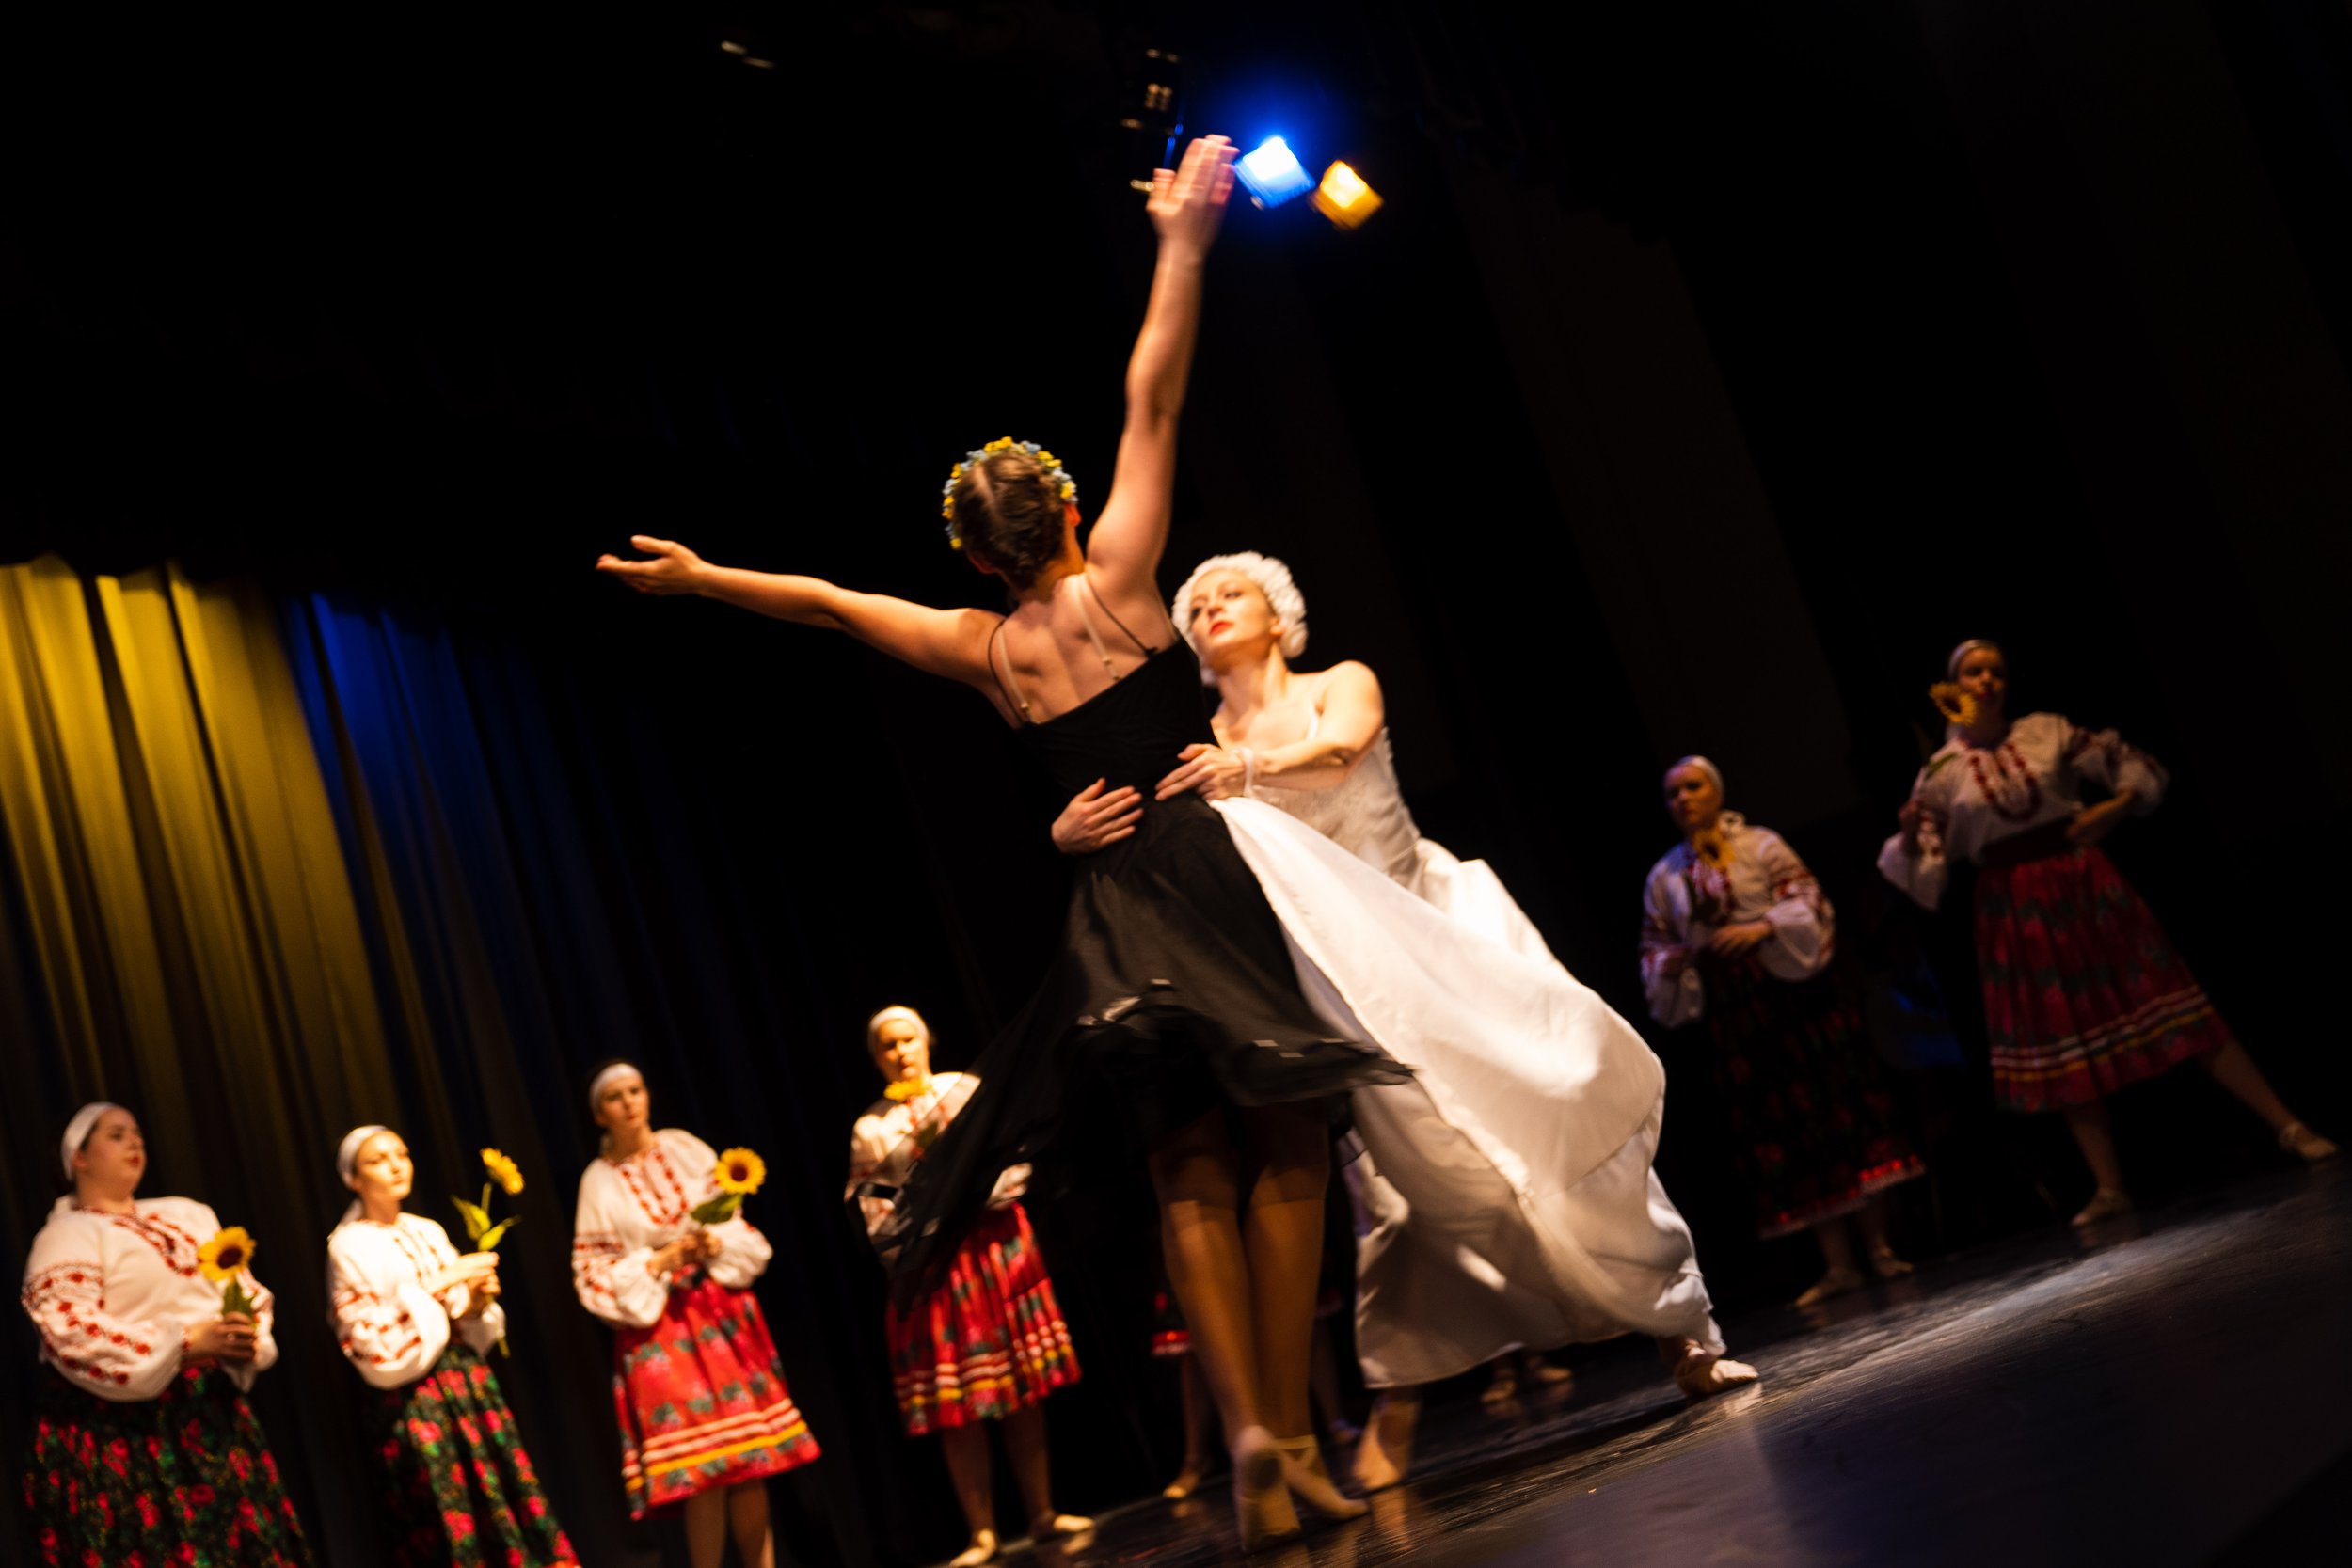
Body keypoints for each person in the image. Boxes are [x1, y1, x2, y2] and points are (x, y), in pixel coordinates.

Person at [599, 135, 1403, 1548]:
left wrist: (703, 575)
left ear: (974, 557)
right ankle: (1287, 1416)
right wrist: (1184, 242)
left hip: (1112, 914)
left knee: (1184, 1177)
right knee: (1285, 1147)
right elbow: (1151, 393)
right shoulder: (1124, 583)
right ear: (1069, 516)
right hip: (1209, 883)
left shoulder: (989, 647)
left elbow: (835, 603)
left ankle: (1263, 1435)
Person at [1053, 551, 1756, 1494]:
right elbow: (1137, 818)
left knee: (1545, 1116)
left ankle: (1683, 1326)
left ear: (1278, 616)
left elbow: (1341, 749)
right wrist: (1063, 834)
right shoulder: (1197, 739)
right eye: (1197, 602)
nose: (1212, 605)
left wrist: (1249, 765)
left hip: (1435, 932)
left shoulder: (1337, 683)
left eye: (1233, 594)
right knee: (1384, 1189)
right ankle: (1399, 1400)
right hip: (1339, 977)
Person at [1879, 640, 2335, 1224]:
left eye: (1996, 669)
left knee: (2174, 1001)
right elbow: (1925, 870)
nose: (1987, 679)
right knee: (2063, 1036)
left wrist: (2114, 808)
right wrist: (1913, 834)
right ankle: (2109, 1185)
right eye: (1974, 671)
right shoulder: (1942, 772)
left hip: (2081, 881)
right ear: (1954, 685)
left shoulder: (2045, 732)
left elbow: (2133, 768)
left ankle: (2289, 1125)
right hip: (2014, 905)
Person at [1643, 757, 1927, 1305]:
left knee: (1840, 1111)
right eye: (1673, 793)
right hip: (1740, 1017)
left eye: (1694, 787)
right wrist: (1674, 963)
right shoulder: (1664, 878)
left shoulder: (1761, 845)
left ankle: (1880, 1248)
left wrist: (1763, 927)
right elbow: (1653, 950)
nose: (1684, 799)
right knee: (1788, 1132)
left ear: (1717, 791)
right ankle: (1838, 1264)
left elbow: (1810, 903)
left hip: (1796, 997)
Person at [848, 1006, 1089, 1566]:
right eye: (888, 1045)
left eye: (908, 1039)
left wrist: (976, 1191)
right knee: (961, 1402)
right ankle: (981, 1531)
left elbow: (1012, 1155)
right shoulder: (872, 1127)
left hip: (996, 1246)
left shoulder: (964, 1089)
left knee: (1021, 1388)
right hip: (939, 1265)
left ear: (927, 1040)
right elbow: (874, 1208)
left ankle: (1042, 1511)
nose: (901, 1051)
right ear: (876, 1057)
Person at [21, 1102, 311, 1566]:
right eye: (116, 1135)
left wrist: (242, 1333)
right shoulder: (67, 1235)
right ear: (79, 1156)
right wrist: (185, 1342)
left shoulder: (186, 1215)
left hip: (211, 1419)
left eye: (137, 1133)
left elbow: (243, 1288)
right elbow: (68, 1329)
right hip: (127, 1431)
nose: (135, 1142)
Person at [571, 1063, 819, 1567]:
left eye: (635, 1090)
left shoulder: (683, 1147)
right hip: (661, 1329)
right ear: (600, 1115)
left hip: (716, 1311)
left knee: (749, 1462)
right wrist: (657, 1261)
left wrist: (711, 1241)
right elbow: (591, 1269)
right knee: (702, 1469)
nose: (629, 1103)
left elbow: (729, 1214)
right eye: (615, 1097)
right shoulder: (598, 1182)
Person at [327, 1125, 578, 1567]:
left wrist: (476, 1301)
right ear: (353, 1178)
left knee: (503, 1499)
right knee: (450, 1513)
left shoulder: (426, 1229)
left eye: (401, 1154)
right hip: (416, 1399)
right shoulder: (348, 1245)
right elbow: (364, 1335)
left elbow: (463, 1316)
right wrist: (442, 1283)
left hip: (467, 1385)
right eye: (377, 1160)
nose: (395, 1166)